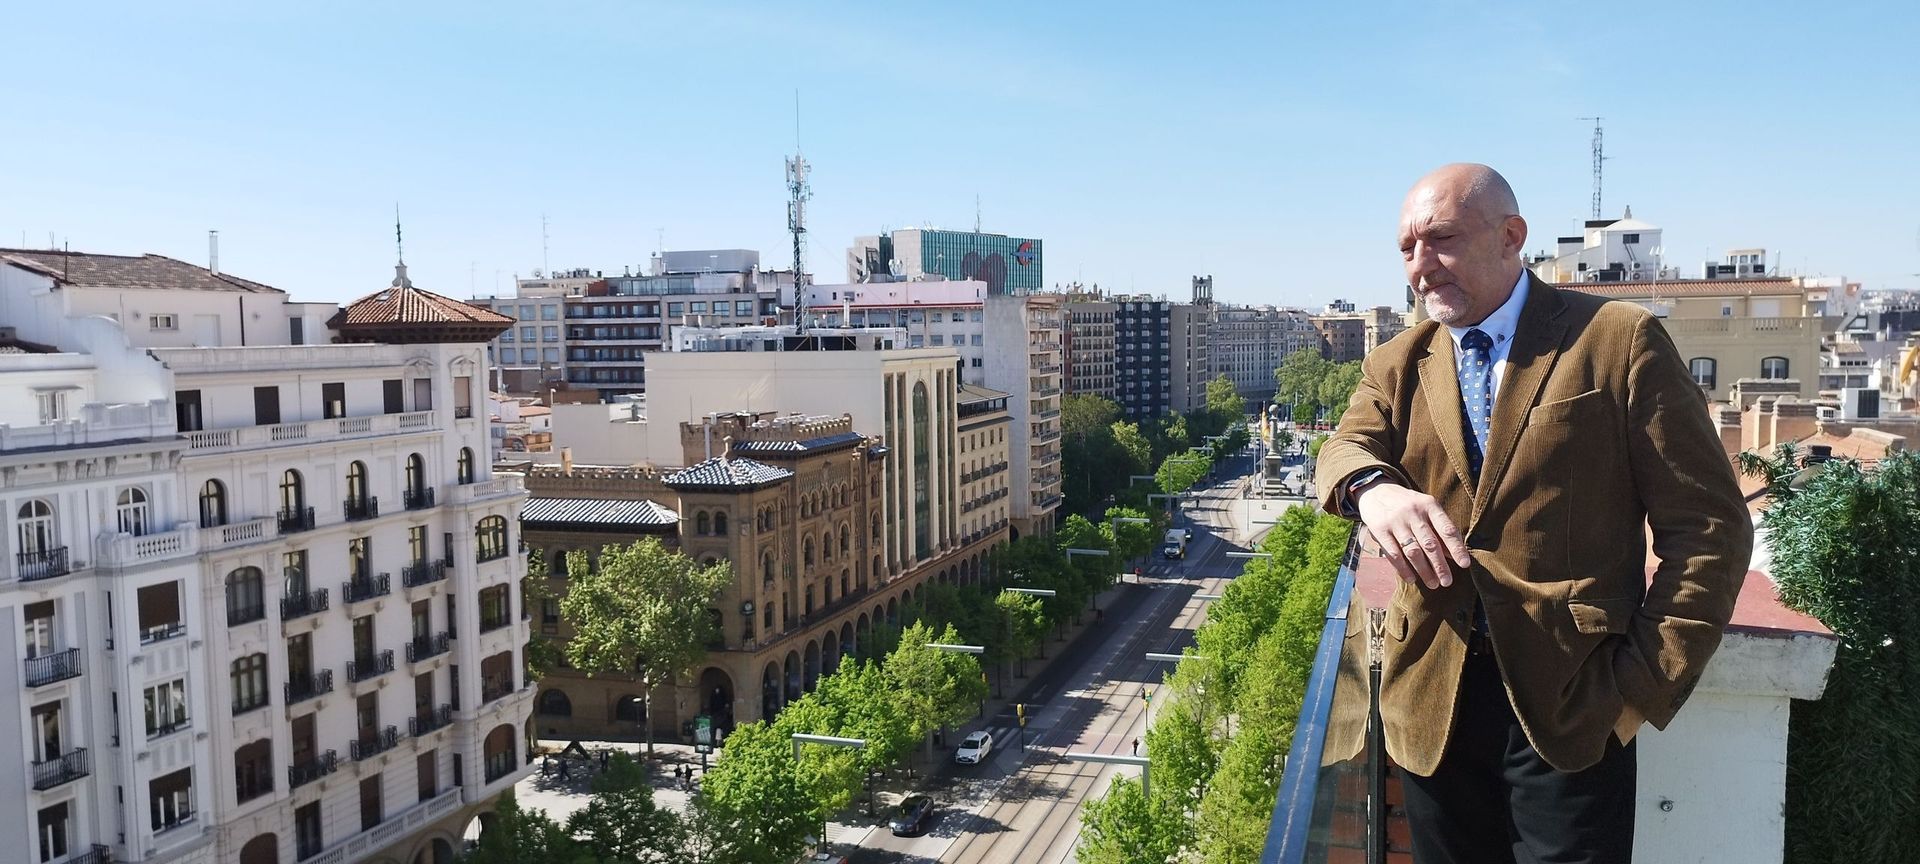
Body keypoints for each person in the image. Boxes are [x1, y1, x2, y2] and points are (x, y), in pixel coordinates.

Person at [1317, 164, 1750, 863]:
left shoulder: (1615, 339)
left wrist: (1638, 690)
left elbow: (1709, 529)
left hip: (1575, 702)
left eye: (1442, 240)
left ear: (1510, 236)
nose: (1421, 268)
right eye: (1406, 249)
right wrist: (1375, 489)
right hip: (1433, 702)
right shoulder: (1398, 362)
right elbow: (1342, 450)